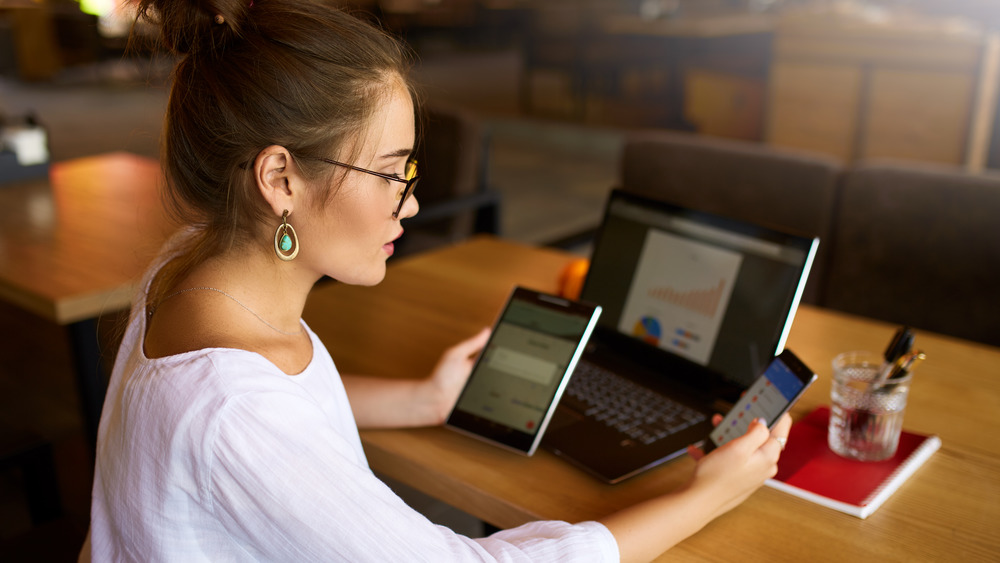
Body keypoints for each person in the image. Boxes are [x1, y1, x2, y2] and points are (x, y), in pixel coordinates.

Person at [83, 0, 792, 561]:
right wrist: (708, 494)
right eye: (391, 172)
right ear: (280, 178)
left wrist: (425, 397)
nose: (412, 201)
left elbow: (279, 407)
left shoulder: (191, 267)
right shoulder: (232, 413)